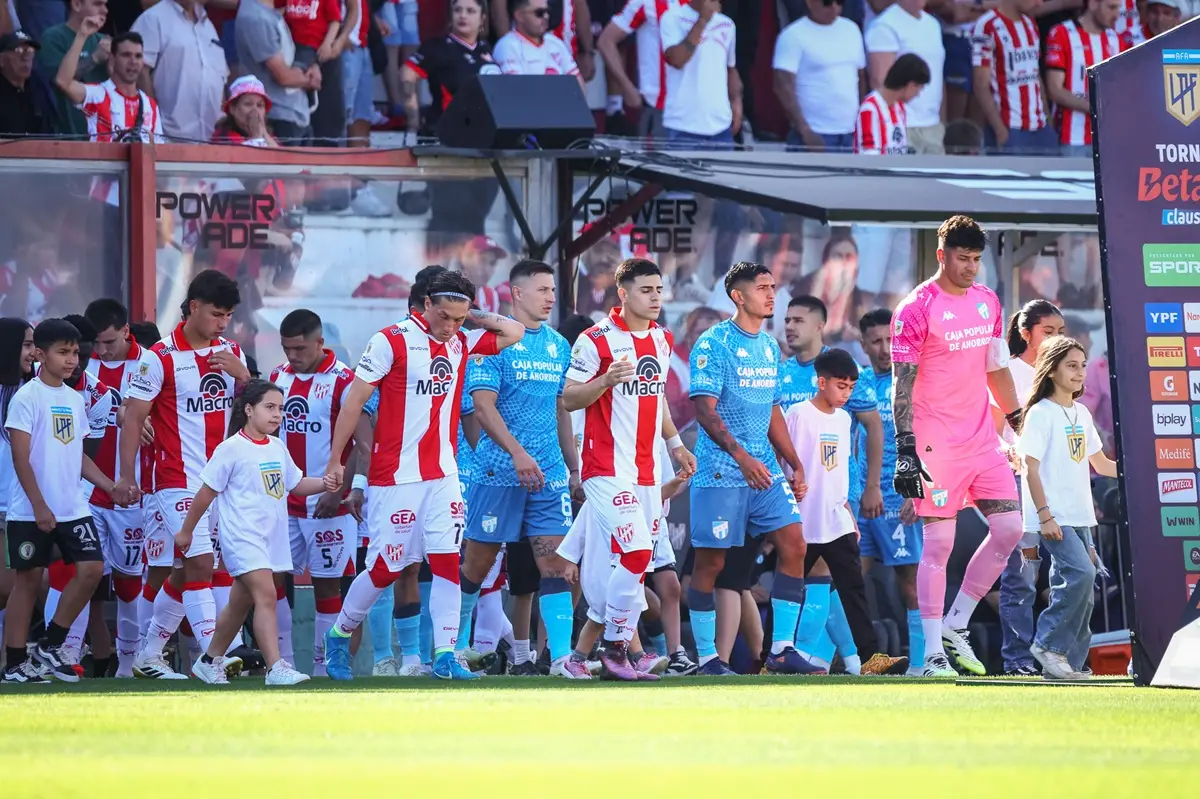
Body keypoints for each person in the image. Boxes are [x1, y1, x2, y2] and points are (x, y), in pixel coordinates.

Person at [320, 270, 525, 681]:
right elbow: (353, 400)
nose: (451, 326)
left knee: (449, 563)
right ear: (426, 304)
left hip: (443, 475)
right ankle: (339, 636)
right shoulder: (390, 340)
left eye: (458, 318)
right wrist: (335, 461)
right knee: (385, 569)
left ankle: (446, 655)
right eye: (444, 315)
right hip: (395, 478)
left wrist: (473, 315)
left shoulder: (462, 339)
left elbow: (516, 331)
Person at [891, 214, 1025, 677]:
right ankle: (930, 656)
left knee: (1010, 529)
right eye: (962, 259)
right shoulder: (915, 308)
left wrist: (1018, 422)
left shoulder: (988, 301)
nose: (970, 268)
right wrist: (904, 450)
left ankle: (956, 624)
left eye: (976, 260)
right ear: (941, 254)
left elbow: (997, 370)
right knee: (940, 543)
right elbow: (900, 386)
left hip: (981, 439)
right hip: (933, 445)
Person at [562, 257, 695, 681]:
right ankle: (617, 648)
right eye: (646, 290)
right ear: (623, 293)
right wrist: (603, 381)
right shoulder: (595, 340)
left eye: (659, 290)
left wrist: (674, 446)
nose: (656, 298)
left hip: (646, 474)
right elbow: (567, 399)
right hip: (604, 470)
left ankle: (579, 659)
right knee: (637, 553)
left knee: (616, 568)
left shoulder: (661, 339)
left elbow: (654, 406)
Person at [116, 269, 251, 680]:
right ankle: (211, 659)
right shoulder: (158, 358)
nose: (222, 323)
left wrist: (244, 377)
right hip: (174, 477)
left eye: (228, 316)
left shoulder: (232, 353)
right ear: (193, 307)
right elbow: (133, 417)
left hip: (218, 480)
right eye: (216, 314)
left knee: (185, 570)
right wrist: (125, 477)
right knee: (202, 562)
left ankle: (149, 654)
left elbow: (253, 412)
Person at [685, 262, 814, 676]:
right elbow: (704, 410)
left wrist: (792, 461)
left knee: (795, 543)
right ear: (738, 296)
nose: (771, 294)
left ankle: (781, 650)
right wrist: (743, 458)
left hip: (765, 473)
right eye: (762, 288)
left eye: (773, 287)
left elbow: (773, 407)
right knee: (710, 565)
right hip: (722, 471)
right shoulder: (714, 342)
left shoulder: (770, 347)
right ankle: (707, 658)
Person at [458, 260, 583, 677]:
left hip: (547, 474)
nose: (551, 297)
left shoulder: (558, 346)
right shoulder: (491, 342)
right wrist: (515, 453)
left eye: (552, 290)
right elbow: (482, 406)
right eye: (543, 289)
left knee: (557, 566)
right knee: (477, 567)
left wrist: (573, 467)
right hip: (498, 472)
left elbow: (561, 408)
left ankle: (562, 658)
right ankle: (456, 649)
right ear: (516, 293)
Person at [182, 380, 327, 686]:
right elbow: (205, 493)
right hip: (242, 537)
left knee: (239, 604)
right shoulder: (231, 448)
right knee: (267, 594)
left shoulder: (277, 446)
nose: (277, 415)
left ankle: (209, 661)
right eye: (269, 407)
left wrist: (325, 483)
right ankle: (276, 668)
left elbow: (296, 485)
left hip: (270, 538)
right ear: (249, 410)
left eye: (281, 409)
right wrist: (186, 531)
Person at [3, 318, 113, 683]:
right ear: (39, 354)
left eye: (75, 354)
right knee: (27, 583)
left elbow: (78, 455)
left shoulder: (74, 398)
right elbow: (21, 457)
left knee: (92, 570)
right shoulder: (26, 397)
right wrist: (38, 506)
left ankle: (52, 643)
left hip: (72, 509)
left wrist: (110, 486)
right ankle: (16, 663)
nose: (71, 361)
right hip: (30, 510)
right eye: (62, 353)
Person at [786, 348, 908, 675]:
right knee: (787, 591)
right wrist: (787, 494)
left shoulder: (843, 418)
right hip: (803, 519)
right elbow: (786, 459)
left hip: (836, 518)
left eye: (851, 387)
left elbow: (839, 469)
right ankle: (773, 656)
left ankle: (868, 658)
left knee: (853, 587)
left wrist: (847, 512)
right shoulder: (798, 413)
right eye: (841, 386)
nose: (846, 394)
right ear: (821, 382)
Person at [268, 309, 365, 676]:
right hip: (284, 503)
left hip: (329, 506)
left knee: (328, 589)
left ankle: (326, 672)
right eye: (286, 348)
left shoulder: (344, 381)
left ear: (320, 343)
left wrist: (338, 488)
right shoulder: (279, 377)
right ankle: (283, 665)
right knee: (274, 582)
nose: (293, 356)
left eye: (300, 348)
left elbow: (360, 443)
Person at [1020, 335, 1116, 680]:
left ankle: (1068, 666)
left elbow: (1101, 464)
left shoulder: (1081, 412)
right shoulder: (1040, 414)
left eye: (1083, 366)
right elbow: (1028, 467)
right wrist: (1044, 516)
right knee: (1082, 574)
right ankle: (1049, 646)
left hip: (1080, 517)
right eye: (1071, 366)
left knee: (1081, 588)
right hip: (1053, 516)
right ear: (1052, 370)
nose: (1079, 373)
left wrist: (1142, 470)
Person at [991, 299, 1063, 676]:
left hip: (1059, 487)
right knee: (1021, 576)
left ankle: (1059, 655)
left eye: (1060, 333)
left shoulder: (1061, 375)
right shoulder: (1009, 372)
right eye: (1047, 332)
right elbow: (991, 431)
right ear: (1025, 333)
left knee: (1071, 574)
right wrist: (1013, 453)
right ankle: (1018, 658)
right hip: (1016, 485)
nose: (1054, 340)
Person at [82, 298, 147, 678]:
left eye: (109, 342)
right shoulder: (79, 365)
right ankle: (69, 659)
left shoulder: (151, 364)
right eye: (97, 344)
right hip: (85, 490)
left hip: (132, 493)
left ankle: (128, 666)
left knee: (127, 582)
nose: (101, 351)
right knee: (81, 576)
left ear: (126, 331)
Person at [857, 308, 925, 676]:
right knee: (845, 576)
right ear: (863, 343)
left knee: (910, 584)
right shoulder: (856, 383)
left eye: (890, 339)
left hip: (899, 499)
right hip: (862, 500)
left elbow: (927, 439)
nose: (885, 348)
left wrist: (916, 490)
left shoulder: (913, 382)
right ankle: (829, 662)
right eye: (876, 341)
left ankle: (922, 663)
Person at [772, 0, 865, 151]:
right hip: (814, 134)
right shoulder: (793, 35)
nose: (834, 7)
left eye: (840, 1)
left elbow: (860, 78)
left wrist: (862, 123)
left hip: (851, 133)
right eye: (827, 2)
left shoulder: (852, 29)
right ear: (809, 2)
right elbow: (782, 86)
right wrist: (804, 130)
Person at [130, 0, 228, 142]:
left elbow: (220, 79)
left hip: (212, 140)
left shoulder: (208, 26)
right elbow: (139, 72)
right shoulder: (152, 18)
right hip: (169, 138)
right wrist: (154, 125)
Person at [400, 0, 497, 136]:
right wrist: (413, 118)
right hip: (447, 132)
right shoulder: (437, 47)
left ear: (482, 19)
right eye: (457, 10)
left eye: (470, 11)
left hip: (483, 131)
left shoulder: (485, 48)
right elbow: (407, 75)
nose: (462, 16)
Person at [54, 26, 164, 142]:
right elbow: (62, 82)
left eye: (138, 56)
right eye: (126, 55)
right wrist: (82, 36)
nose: (133, 62)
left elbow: (159, 150)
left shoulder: (150, 105)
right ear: (112, 60)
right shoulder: (98, 94)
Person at [596, 0, 687, 139]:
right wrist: (627, 87)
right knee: (659, 160)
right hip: (658, 108)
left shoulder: (700, 4)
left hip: (696, 108)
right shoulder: (645, 2)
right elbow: (606, 41)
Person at [1043, 0, 1123, 157]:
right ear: (1093, 4)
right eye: (1111, 7)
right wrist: (1094, 108)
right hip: (1072, 139)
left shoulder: (1116, 40)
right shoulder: (1061, 33)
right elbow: (1054, 89)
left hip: (1108, 139)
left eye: (1118, 8)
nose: (1116, 15)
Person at [863, 0, 945, 154]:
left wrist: (941, 121)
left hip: (933, 127)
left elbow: (938, 77)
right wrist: (894, 125)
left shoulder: (933, 25)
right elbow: (881, 82)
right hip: (902, 127)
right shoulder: (884, 25)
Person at [971, 0, 1052, 154]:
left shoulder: (1030, 23)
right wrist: (1001, 132)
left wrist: (1048, 120)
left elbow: (1035, 75)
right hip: (1010, 129)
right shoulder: (987, 26)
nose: (1040, 4)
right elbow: (980, 85)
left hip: (1041, 129)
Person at [0, 318, 34, 680]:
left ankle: (14, 660)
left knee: (20, 584)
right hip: (6, 505)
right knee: (12, 585)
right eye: (26, 345)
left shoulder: (31, 390)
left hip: (17, 505)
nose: (33, 352)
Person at [235, 0, 321, 144]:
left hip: (294, 114)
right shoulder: (256, 17)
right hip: (279, 117)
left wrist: (309, 68)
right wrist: (310, 80)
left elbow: (287, 61)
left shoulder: (267, 12)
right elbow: (283, 76)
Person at [660, 0, 741, 146]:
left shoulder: (727, 24)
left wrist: (736, 101)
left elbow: (730, 68)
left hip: (721, 128)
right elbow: (677, 60)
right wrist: (703, 20)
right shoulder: (672, 17)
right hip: (683, 127)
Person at [36, 0, 109, 140]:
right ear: (76, 4)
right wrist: (94, 58)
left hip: (102, 135)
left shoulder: (104, 41)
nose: (105, 10)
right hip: (66, 133)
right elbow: (60, 80)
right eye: (97, 4)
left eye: (105, 5)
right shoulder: (54, 37)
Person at [493, 0, 582, 88]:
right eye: (539, 13)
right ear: (519, 16)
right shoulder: (507, 47)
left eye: (548, 11)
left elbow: (579, 88)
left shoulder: (556, 43)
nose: (546, 16)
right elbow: (518, 91)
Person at [853, 52, 929, 155]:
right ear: (912, 85)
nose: (918, 95)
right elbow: (868, 158)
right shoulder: (870, 109)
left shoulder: (900, 108)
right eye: (919, 89)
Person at [0, 30, 50, 137]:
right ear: (1, 60)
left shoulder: (39, 88)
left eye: (30, 50)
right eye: (18, 50)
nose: (25, 56)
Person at [211, 75, 279, 146]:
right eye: (248, 104)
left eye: (259, 105)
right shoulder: (222, 136)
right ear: (232, 109)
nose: (255, 110)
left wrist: (264, 133)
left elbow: (279, 155)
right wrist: (256, 137)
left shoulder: (271, 136)